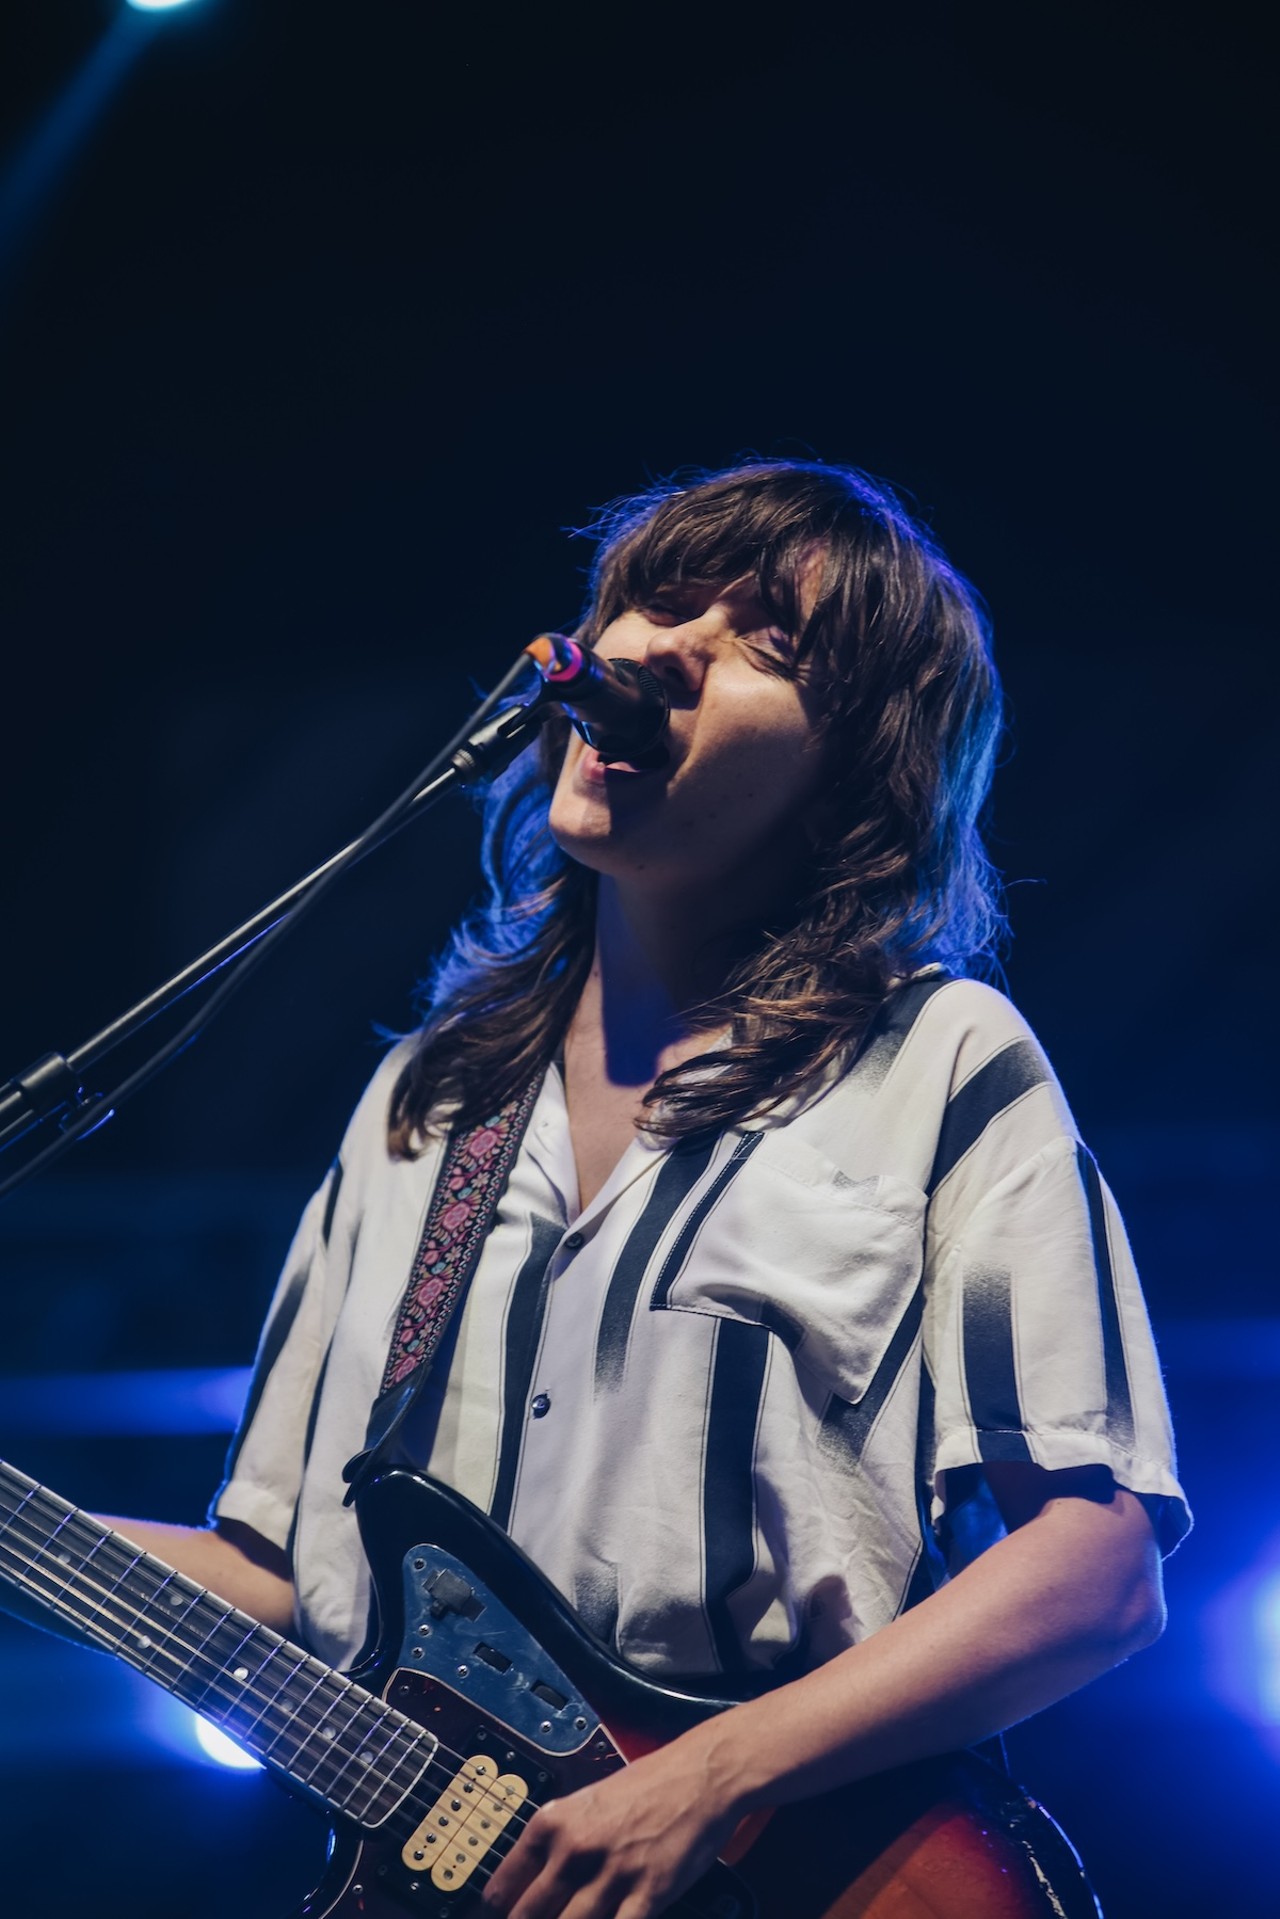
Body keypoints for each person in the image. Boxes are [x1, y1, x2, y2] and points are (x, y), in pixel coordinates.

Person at [94, 460, 1189, 1918]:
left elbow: (1098, 1569)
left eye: (767, 645)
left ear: (851, 777)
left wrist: (713, 1774)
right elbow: (295, 1583)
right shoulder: (427, 1104)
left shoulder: (933, 1060)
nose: (664, 649)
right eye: (659, 603)